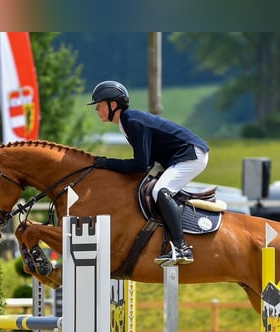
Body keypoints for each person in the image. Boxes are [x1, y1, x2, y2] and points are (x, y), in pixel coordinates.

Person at [88, 80, 210, 266]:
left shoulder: (133, 122)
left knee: (160, 191)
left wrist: (107, 163)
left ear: (113, 105)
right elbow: (147, 163)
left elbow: (140, 165)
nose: (96, 109)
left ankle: (181, 247)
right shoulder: (127, 122)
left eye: (99, 105)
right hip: (176, 157)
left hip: (190, 154)